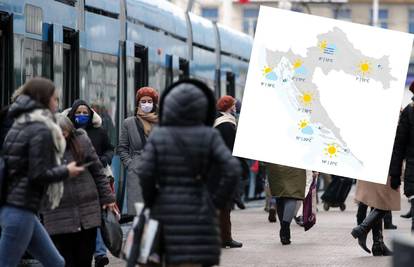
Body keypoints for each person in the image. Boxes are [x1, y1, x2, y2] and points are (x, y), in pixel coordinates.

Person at [136, 79, 241, 267]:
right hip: (200, 212)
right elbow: (232, 169)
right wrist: (215, 201)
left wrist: (152, 199)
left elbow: (145, 171)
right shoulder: (209, 136)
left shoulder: (160, 135)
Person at [0, 77, 84, 267]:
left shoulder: (20, 123)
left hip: (18, 206)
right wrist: (66, 171)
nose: (57, 103)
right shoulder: (40, 129)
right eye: (55, 98)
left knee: (56, 262)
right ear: (43, 99)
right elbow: (37, 173)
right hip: (20, 208)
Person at [41, 115, 116, 267]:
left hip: (86, 212)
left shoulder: (82, 142)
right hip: (58, 215)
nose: (61, 135)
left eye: (64, 131)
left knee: (84, 258)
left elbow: (98, 171)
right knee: (65, 260)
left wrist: (108, 198)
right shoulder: (43, 149)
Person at [65, 100, 115, 267]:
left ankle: (100, 254)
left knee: (96, 217)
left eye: (85, 112)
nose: (81, 115)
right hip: (73, 182)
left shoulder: (99, 131)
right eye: (78, 112)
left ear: (91, 114)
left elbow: (109, 148)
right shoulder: (66, 131)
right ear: (72, 114)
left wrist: (105, 159)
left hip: (96, 178)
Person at [117, 87, 159, 217]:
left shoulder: (161, 122)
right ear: (138, 103)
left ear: (154, 103)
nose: (146, 104)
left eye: (149, 101)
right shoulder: (128, 123)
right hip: (136, 170)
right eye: (143, 101)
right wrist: (130, 164)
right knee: (139, 213)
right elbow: (122, 147)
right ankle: (139, 236)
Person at [213, 95, 243, 248]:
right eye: (234, 105)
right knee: (225, 207)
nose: (235, 108)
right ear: (229, 107)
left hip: (214, 169)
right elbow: (232, 148)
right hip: (223, 170)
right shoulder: (226, 124)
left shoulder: (216, 121)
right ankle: (225, 238)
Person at [351, 178, 398, 256]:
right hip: (382, 171)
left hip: (373, 172)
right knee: (384, 201)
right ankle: (364, 230)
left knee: (378, 201)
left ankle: (378, 244)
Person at [266, 164, 306, 245]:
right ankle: (285, 229)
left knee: (279, 195)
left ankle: (283, 228)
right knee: (292, 196)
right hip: (295, 165)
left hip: (275, 164)